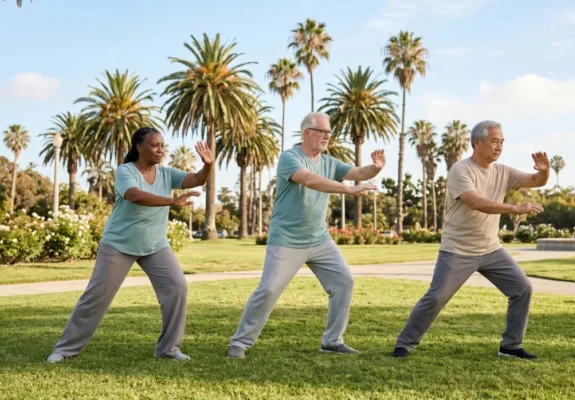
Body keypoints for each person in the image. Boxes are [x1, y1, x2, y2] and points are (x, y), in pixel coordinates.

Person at [46, 127, 214, 363]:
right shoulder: (126, 171)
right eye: (155, 145)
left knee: (177, 288)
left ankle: (168, 349)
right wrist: (172, 201)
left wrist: (207, 165)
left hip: (155, 245)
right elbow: (135, 196)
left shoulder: (166, 173)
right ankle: (64, 349)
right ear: (139, 146)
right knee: (96, 296)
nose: (160, 150)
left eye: (162, 146)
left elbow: (197, 179)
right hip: (118, 245)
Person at [227, 112, 384, 359]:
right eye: (322, 131)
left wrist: (375, 168)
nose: (327, 136)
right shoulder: (290, 157)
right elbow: (310, 180)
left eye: (329, 132)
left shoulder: (330, 161)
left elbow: (359, 173)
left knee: (344, 281)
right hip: (286, 240)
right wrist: (347, 189)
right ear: (307, 132)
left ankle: (332, 341)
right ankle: (239, 343)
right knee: (268, 290)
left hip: (319, 239)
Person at [392, 120, 549, 360]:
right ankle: (405, 343)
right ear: (477, 142)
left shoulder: (503, 171)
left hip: (491, 250)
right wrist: (515, 208)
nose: (499, 147)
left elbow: (537, 180)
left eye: (502, 142)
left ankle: (511, 346)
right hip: (457, 251)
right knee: (436, 297)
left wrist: (544, 170)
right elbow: (475, 201)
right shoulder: (461, 170)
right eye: (494, 141)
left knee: (522, 288)